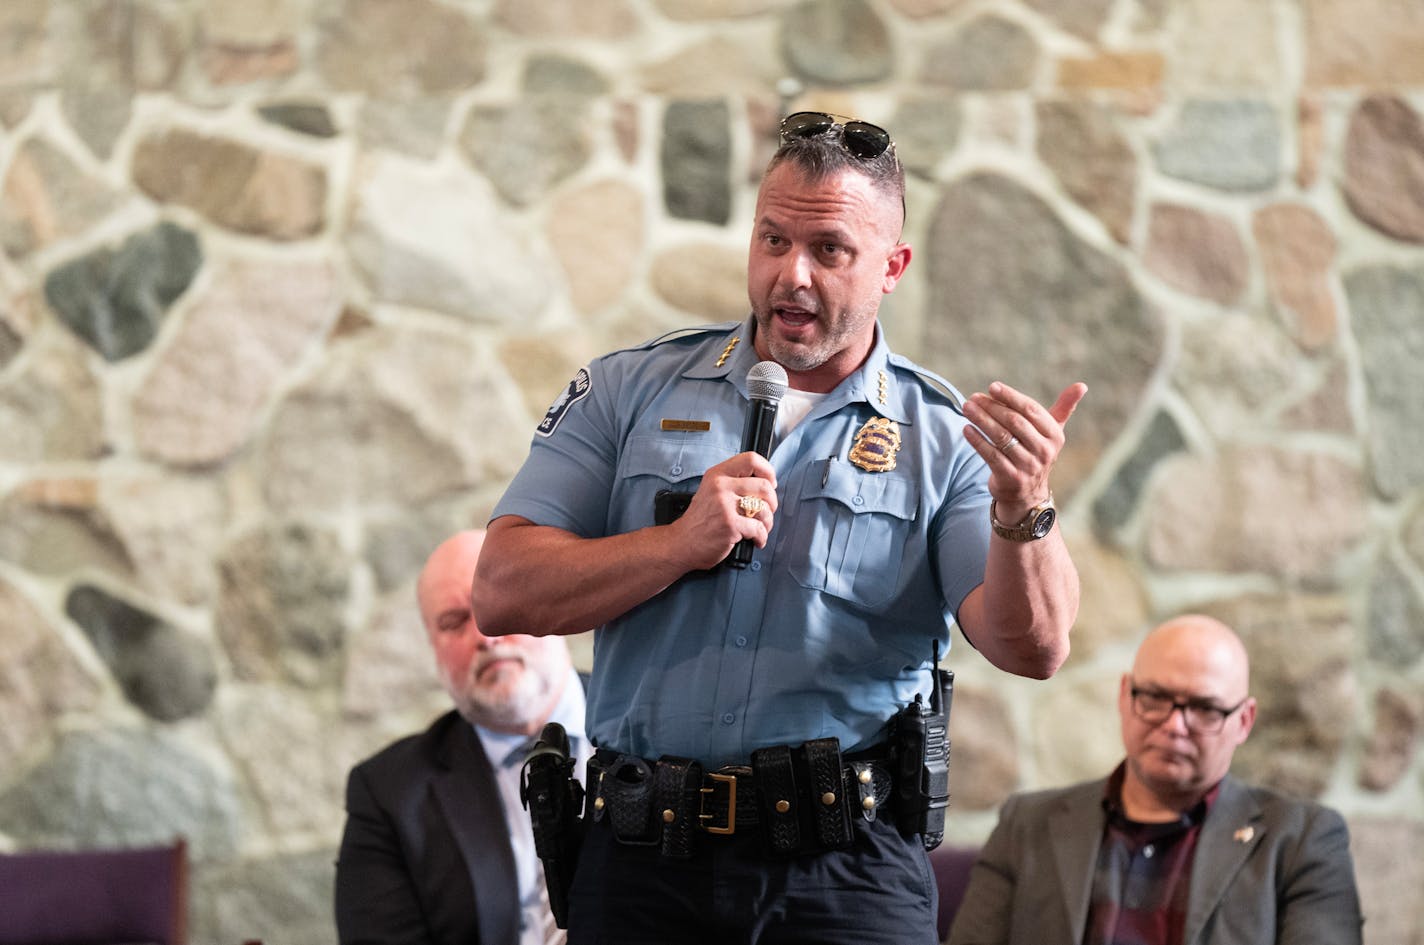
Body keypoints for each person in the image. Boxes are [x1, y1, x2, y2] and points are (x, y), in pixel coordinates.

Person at [473, 111, 1087, 944]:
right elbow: (502, 586)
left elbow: (1032, 646)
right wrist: (674, 543)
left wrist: (1024, 513)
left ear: (891, 267)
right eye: (772, 241)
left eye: (829, 250)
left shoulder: (946, 434)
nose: (790, 276)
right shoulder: (629, 390)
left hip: (844, 873)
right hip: (644, 858)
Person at [947, 614, 1364, 945]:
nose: (1174, 725)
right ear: (1125, 696)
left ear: (1244, 721)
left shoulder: (1301, 841)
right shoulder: (1028, 824)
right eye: (1155, 698)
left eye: (1203, 708)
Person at [335, 529, 588, 945]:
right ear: (433, 651)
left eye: (500, 606)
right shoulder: (388, 794)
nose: (485, 637)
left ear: (551, 607)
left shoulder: (650, 726)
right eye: (454, 622)